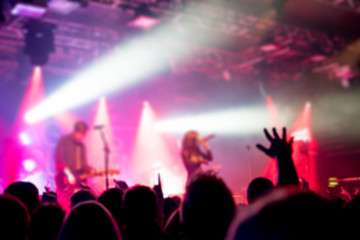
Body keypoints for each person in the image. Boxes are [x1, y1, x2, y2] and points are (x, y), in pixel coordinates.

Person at [55, 121, 94, 192]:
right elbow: (59, 158)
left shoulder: (81, 146)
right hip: (66, 178)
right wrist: (69, 174)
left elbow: (83, 164)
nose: (82, 136)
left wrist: (91, 170)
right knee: (68, 200)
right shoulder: (64, 141)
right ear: (75, 131)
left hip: (80, 178)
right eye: (81, 133)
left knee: (82, 196)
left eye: (84, 134)